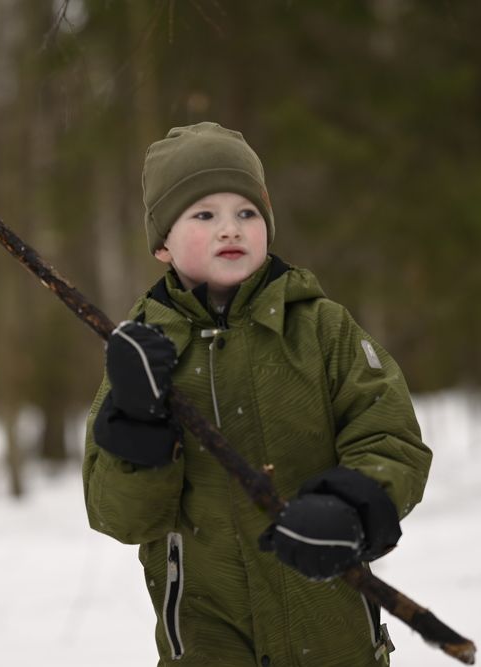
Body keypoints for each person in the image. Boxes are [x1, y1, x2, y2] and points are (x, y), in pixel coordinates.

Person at [82, 122, 432, 666]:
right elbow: (121, 517)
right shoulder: (142, 356)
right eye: (204, 215)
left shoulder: (321, 329)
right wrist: (137, 421)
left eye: (247, 213)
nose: (231, 229)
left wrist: (350, 507)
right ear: (162, 245)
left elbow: (390, 436)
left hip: (332, 642)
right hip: (208, 646)